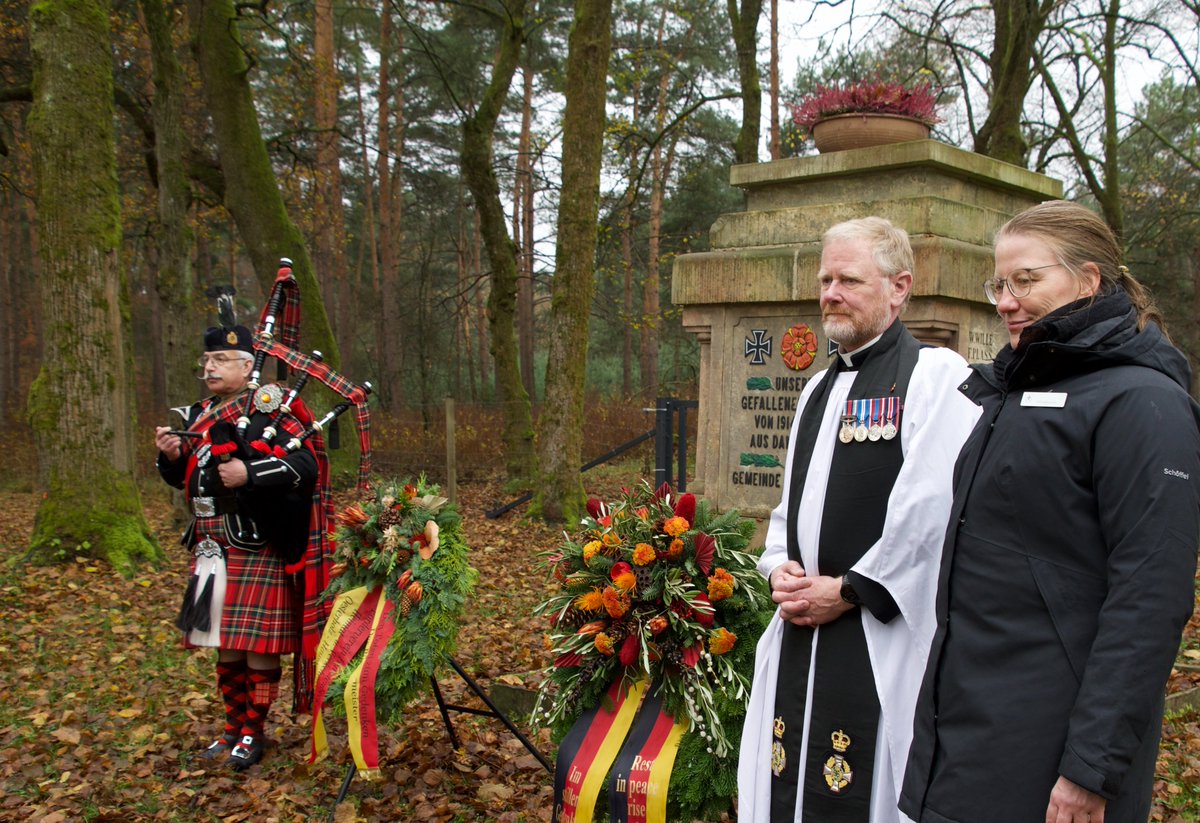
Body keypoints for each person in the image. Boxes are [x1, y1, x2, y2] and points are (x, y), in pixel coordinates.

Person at [900, 200, 1200, 823]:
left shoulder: (1144, 404)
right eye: (1000, 284)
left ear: (1089, 281)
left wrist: (1091, 768)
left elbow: (1149, 598)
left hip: (1053, 751)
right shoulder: (1016, 391)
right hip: (967, 735)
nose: (1006, 300)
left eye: (1027, 281)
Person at [738, 217, 982, 822]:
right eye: (825, 279)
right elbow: (787, 509)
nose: (830, 293)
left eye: (848, 278)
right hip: (802, 626)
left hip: (879, 630)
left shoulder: (936, 376)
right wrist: (778, 570)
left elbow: (932, 512)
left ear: (899, 287)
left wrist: (847, 590)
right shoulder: (817, 387)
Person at [155, 324, 328, 771]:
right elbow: (186, 478)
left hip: (256, 539)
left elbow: (306, 464)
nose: (209, 366)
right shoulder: (200, 412)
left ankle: (253, 731)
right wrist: (171, 458)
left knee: (256, 644)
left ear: (248, 365)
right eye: (206, 360)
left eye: (220, 360)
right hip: (209, 542)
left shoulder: (273, 407)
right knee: (222, 642)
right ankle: (232, 728)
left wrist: (251, 475)